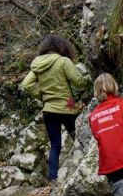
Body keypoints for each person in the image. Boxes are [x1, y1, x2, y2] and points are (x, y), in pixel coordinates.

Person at [20, 35, 89, 182]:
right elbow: (78, 82)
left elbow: (26, 84)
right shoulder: (63, 61)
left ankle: (53, 178)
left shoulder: (38, 65)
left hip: (48, 110)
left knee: (55, 145)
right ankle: (86, 168)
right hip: (67, 109)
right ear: (62, 47)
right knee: (79, 139)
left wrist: (43, 96)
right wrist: (89, 78)